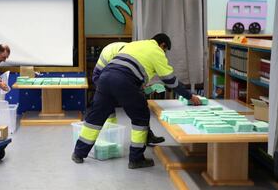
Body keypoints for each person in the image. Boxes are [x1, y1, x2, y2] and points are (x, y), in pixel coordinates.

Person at [72, 33, 201, 169]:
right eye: (165, 50)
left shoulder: (136, 44)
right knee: (141, 117)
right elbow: (170, 81)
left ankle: (78, 153)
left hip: (105, 78)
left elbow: (129, 67)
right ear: (163, 45)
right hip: (124, 81)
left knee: (94, 118)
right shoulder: (157, 51)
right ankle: (136, 159)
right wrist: (190, 96)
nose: (164, 53)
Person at [92, 42, 165, 146]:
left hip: (117, 78)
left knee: (140, 106)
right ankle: (110, 139)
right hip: (105, 79)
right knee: (108, 111)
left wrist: (147, 89)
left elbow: (136, 85)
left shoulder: (137, 53)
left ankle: (147, 136)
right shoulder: (115, 53)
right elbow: (97, 76)